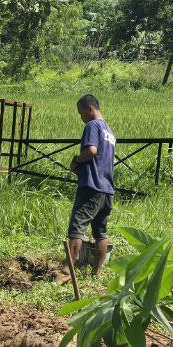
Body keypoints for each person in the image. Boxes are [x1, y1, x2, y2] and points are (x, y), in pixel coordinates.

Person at [62, 94, 116, 281]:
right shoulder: (109, 131)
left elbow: (92, 151)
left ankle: (67, 272)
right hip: (107, 189)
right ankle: (96, 273)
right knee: (100, 232)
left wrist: (76, 160)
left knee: (76, 228)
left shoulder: (92, 126)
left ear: (89, 109)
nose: (81, 117)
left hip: (91, 187)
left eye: (81, 113)